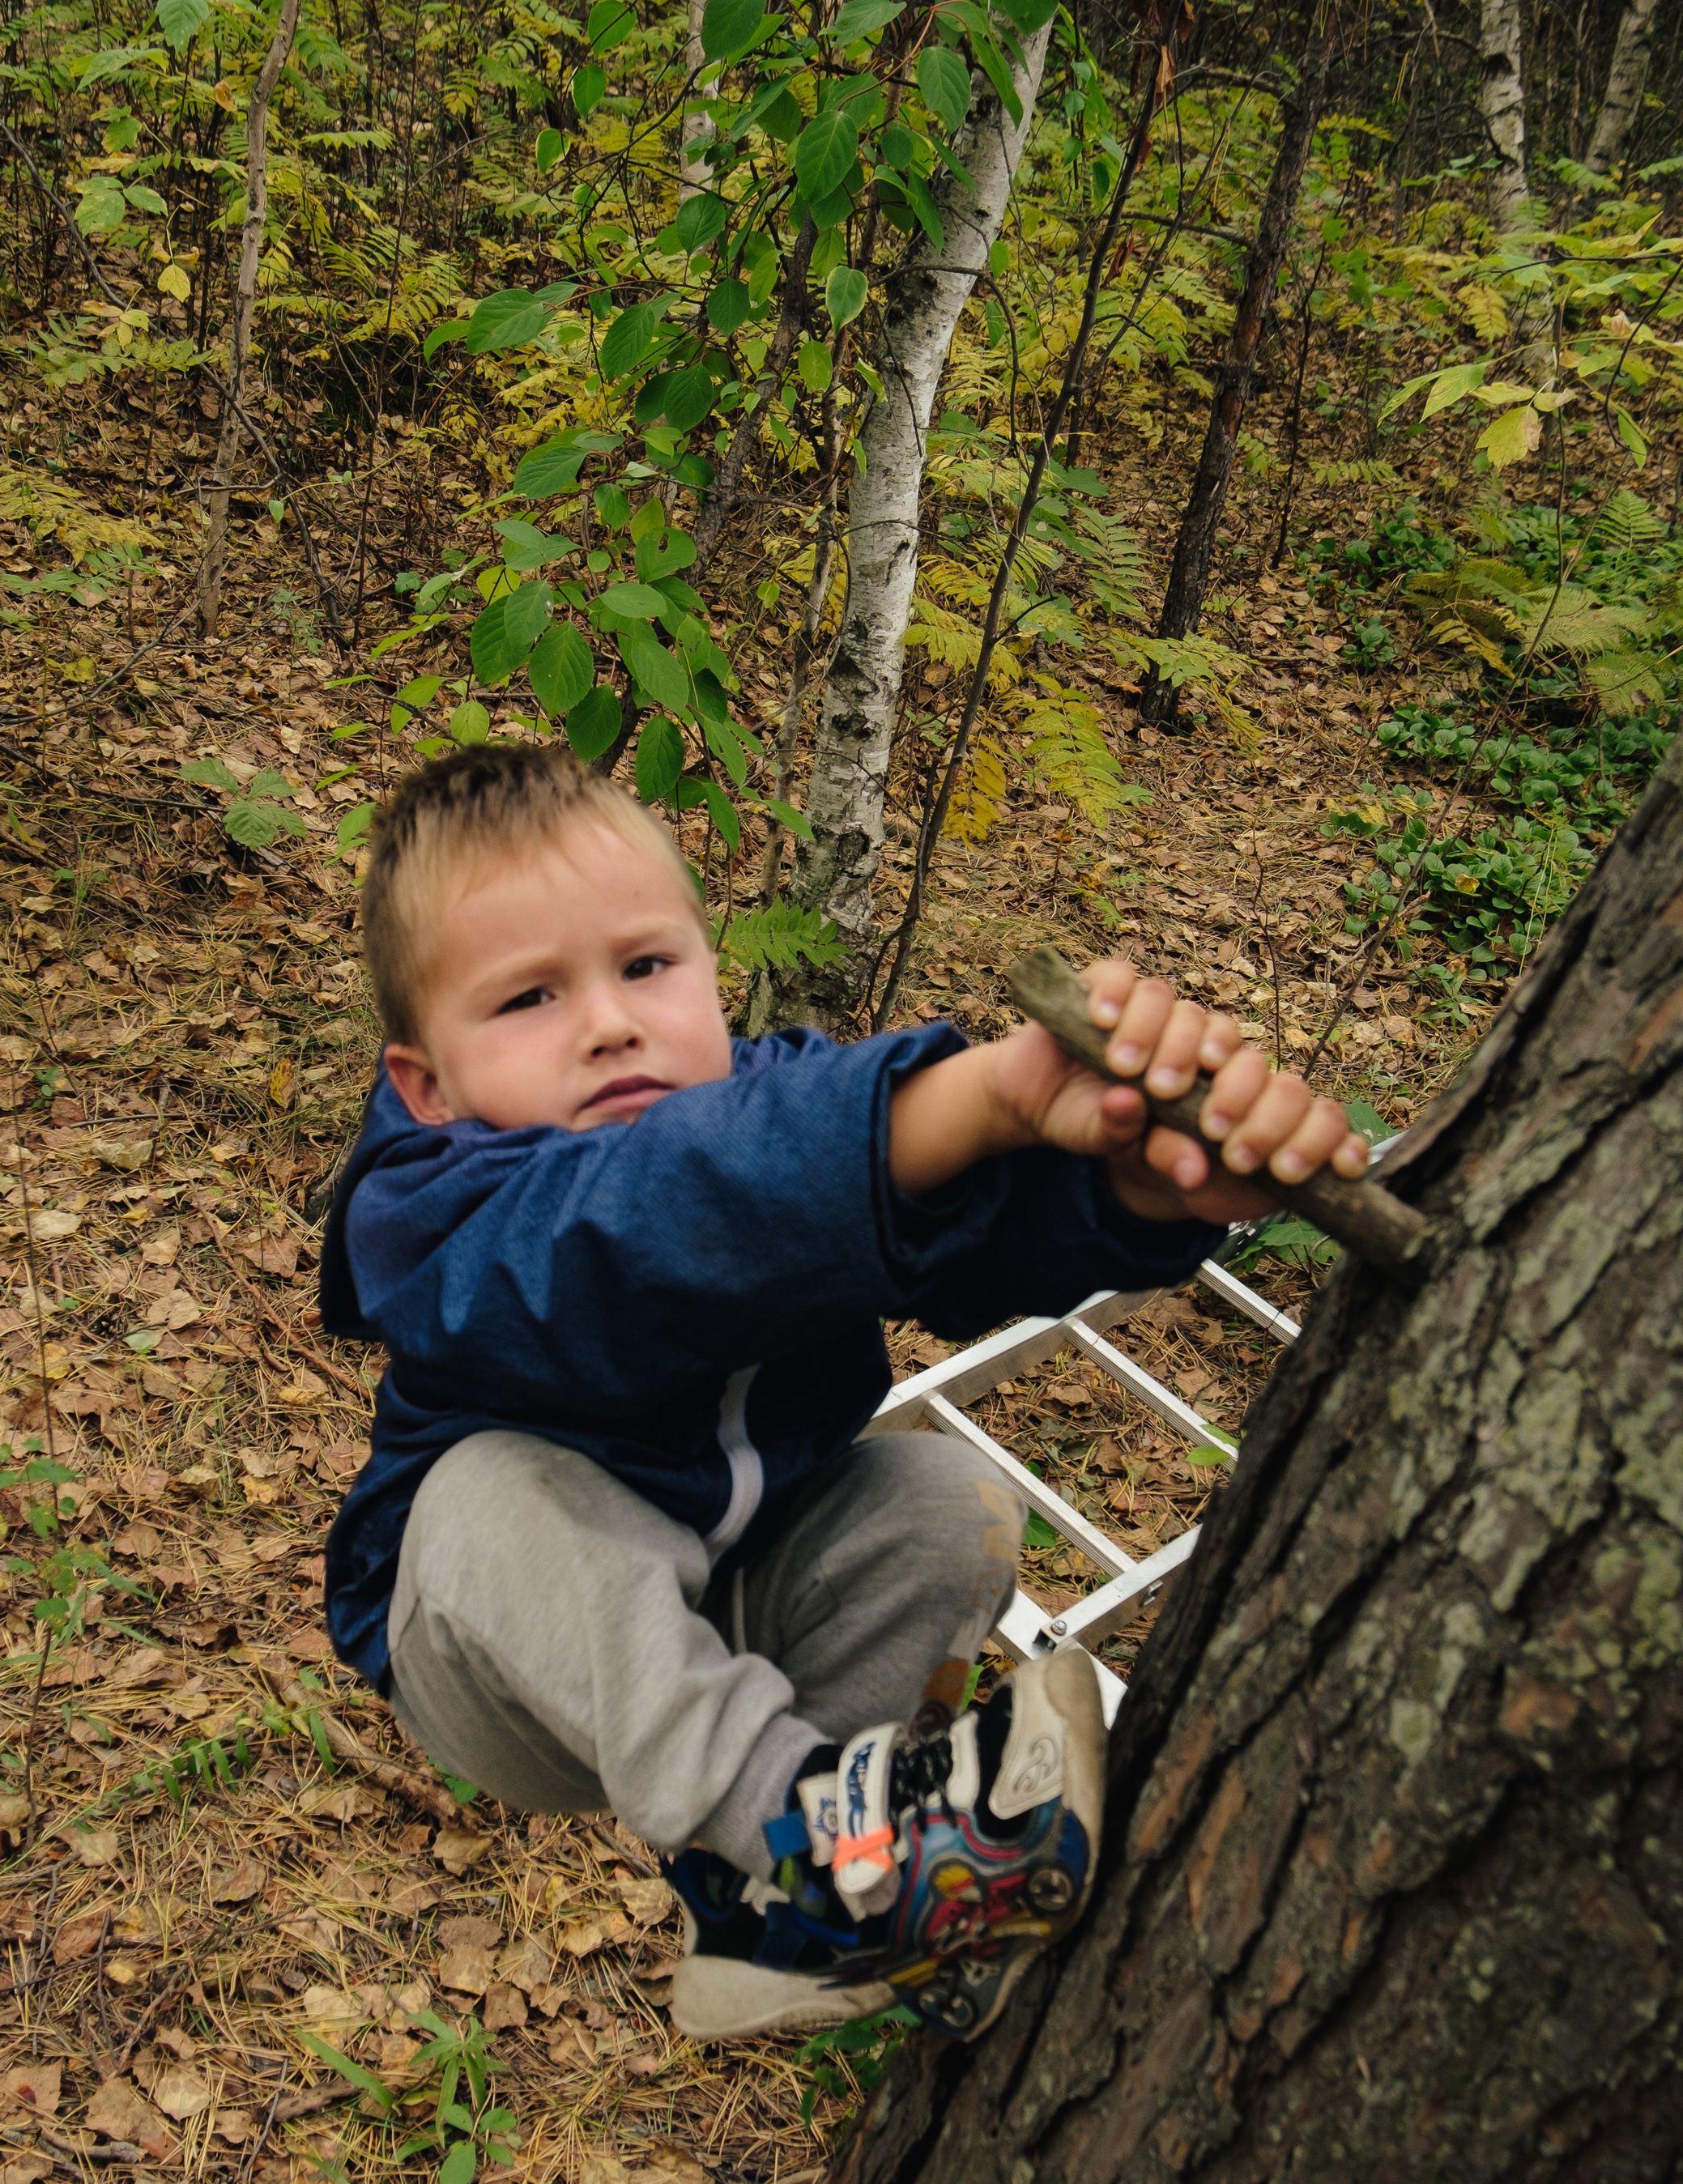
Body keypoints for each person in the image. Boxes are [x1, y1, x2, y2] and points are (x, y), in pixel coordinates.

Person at [318, 746, 1366, 2042]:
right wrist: (966, 1099)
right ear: (429, 1082)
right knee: (485, 1491)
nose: (608, 1020)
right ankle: (806, 1840)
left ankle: (789, 1921)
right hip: (500, 1661)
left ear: (709, 966)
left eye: (648, 966)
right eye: (528, 998)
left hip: (742, 1598)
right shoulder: (428, 1207)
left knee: (946, 1494)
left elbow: (952, 1230)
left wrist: (1130, 1187)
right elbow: (631, 1238)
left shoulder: (778, 1108)